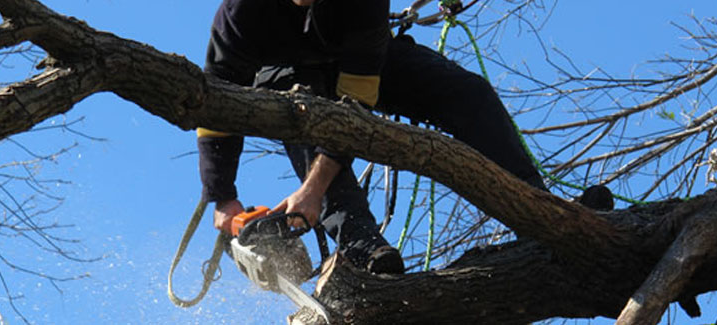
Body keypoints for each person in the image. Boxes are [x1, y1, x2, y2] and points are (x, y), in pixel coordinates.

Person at [198, 0, 554, 275]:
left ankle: (542, 211)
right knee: (300, 111)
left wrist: (312, 192)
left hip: (360, 61)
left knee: (469, 95)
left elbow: (354, 109)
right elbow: (215, 103)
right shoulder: (240, 15)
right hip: (287, 73)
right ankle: (361, 245)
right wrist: (222, 197)